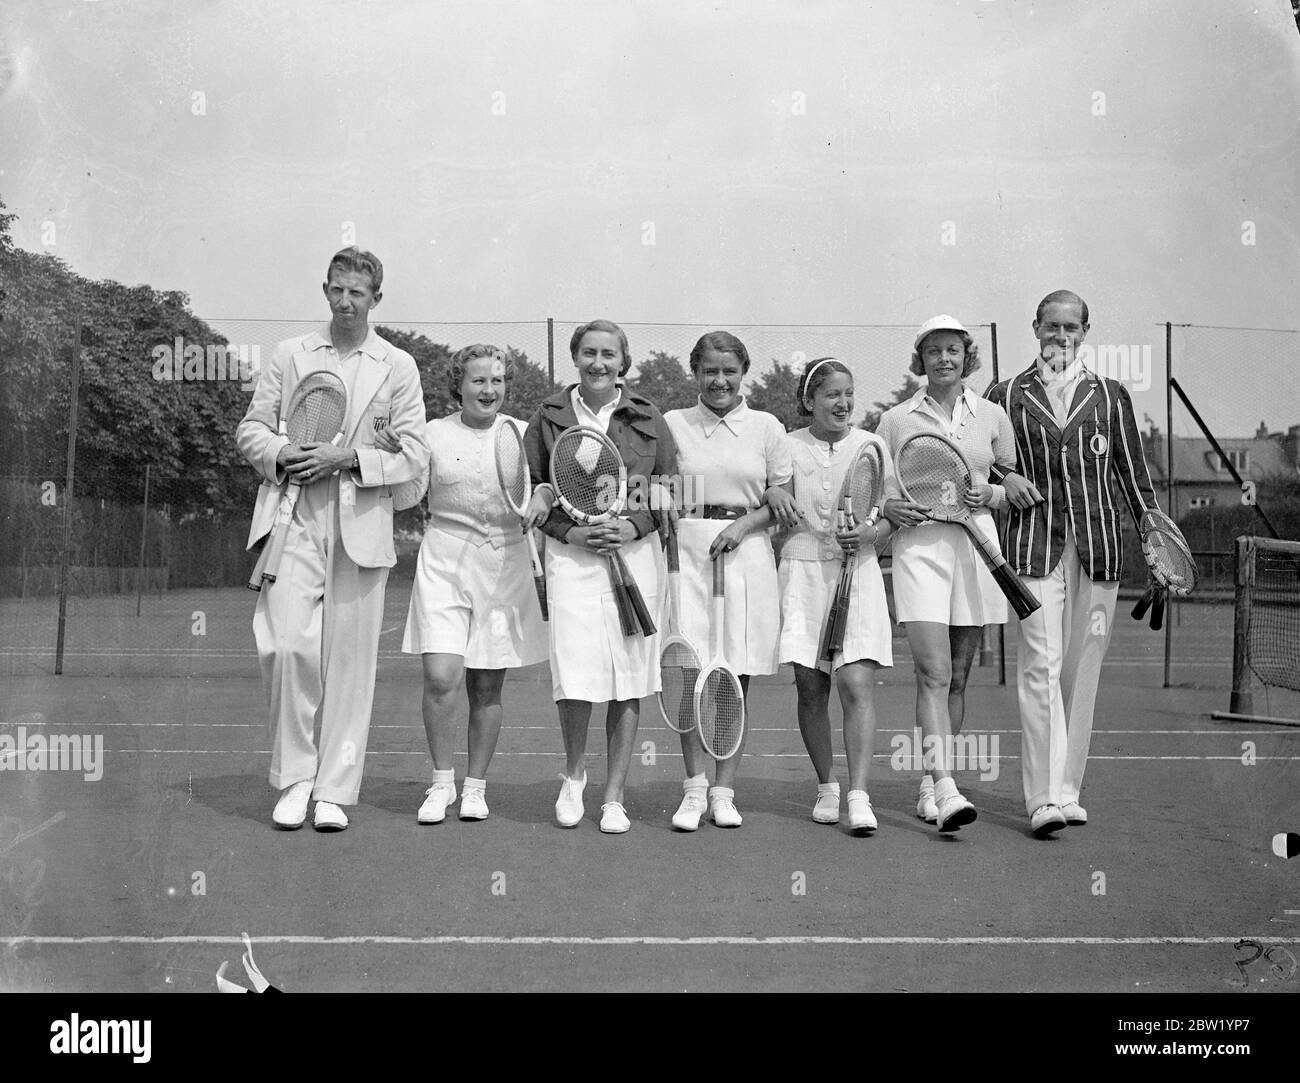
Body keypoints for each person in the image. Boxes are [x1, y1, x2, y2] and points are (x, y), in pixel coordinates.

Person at [236, 246, 429, 832]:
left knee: (349, 664)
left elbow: (416, 455)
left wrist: (348, 458)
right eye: (338, 290)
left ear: (376, 298)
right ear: (325, 290)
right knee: (287, 646)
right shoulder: (290, 354)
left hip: (362, 524)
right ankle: (295, 778)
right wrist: (284, 452)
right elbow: (251, 430)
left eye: (359, 293)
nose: (347, 302)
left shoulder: (399, 365)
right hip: (292, 517)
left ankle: (332, 792)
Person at [984, 290, 1158, 837]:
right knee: (1040, 664)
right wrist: (999, 479)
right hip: (1032, 545)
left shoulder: (1110, 396)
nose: (1061, 336)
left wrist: (1156, 543)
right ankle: (1041, 799)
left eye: (1071, 327)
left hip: (1099, 548)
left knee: (1080, 672)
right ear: (1035, 327)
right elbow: (983, 465)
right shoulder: (1005, 393)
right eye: (1051, 326)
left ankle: (1067, 791)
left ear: (1085, 331)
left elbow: (1133, 477)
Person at [376, 344, 548, 824]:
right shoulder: (431, 432)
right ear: (458, 385)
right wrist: (398, 460)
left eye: (497, 381)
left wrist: (544, 498)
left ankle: (475, 788)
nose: (488, 390)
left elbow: (542, 486)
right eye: (478, 380)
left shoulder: (520, 432)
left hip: (504, 565)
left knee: (488, 687)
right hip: (444, 561)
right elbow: (409, 496)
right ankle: (441, 783)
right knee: (441, 678)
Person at [522, 320, 677, 834]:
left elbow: (669, 489)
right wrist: (573, 534)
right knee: (576, 673)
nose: (598, 363)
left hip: (635, 556)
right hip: (572, 557)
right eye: (589, 353)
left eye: (609, 354)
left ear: (622, 361)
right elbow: (538, 488)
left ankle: (614, 796)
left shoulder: (649, 416)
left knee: (628, 677)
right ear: (575, 358)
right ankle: (573, 776)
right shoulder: (547, 417)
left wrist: (632, 525)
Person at [878, 315, 1016, 833]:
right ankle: (946, 786)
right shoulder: (895, 420)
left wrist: (994, 495)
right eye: (933, 350)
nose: (943, 358)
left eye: (953, 349)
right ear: (921, 359)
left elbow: (1006, 479)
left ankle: (930, 785)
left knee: (958, 677)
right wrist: (893, 509)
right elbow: (882, 488)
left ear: (966, 355)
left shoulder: (993, 415)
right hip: (921, 548)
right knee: (933, 674)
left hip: (978, 546)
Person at [661, 332, 795, 831]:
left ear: (744, 373)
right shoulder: (673, 423)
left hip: (746, 553)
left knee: (732, 678)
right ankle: (693, 791)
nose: (720, 381)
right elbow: (655, 488)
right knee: (690, 672)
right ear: (695, 372)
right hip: (688, 555)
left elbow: (781, 499)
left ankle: (723, 792)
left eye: (729, 371)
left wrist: (742, 526)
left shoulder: (766, 426)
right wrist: (667, 513)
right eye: (709, 371)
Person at [778, 358, 894, 832]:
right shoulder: (785, 446)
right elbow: (775, 500)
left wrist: (871, 536)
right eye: (831, 394)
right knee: (811, 686)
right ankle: (828, 785)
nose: (843, 403)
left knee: (856, 683)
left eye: (848, 393)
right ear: (809, 401)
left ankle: (860, 795)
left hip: (859, 572)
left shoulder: (873, 445)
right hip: (802, 573)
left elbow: (890, 514)